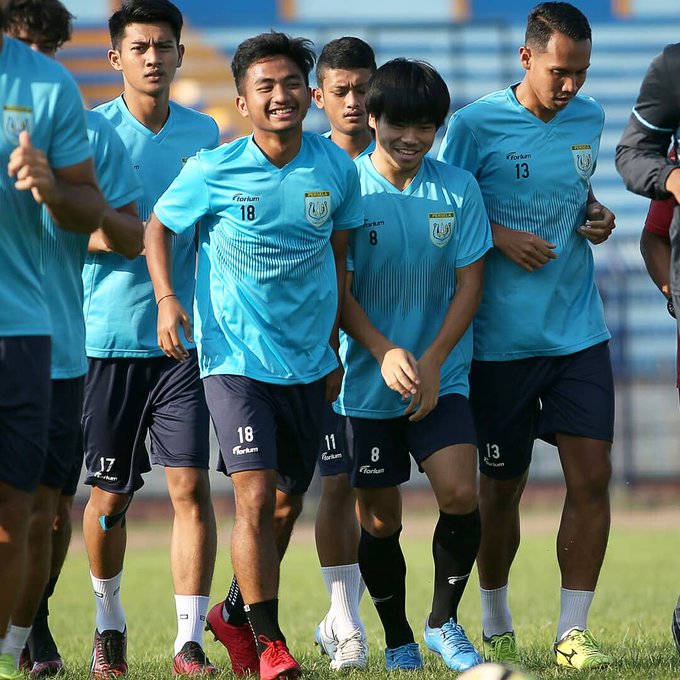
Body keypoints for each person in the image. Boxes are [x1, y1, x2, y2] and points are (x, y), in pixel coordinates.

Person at [145, 30, 364, 680]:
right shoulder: (215, 168)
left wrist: (333, 342)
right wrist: (166, 298)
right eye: (265, 86)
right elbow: (159, 225)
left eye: (290, 83)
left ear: (308, 92)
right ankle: (272, 645)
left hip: (309, 365)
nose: (280, 96)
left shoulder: (335, 168)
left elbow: (341, 259)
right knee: (252, 496)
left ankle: (234, 615)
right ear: (243, 101)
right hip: (234, 361)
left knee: (285, 505)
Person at [438, 2, 616, 670]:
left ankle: (573, 632)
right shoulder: (475, 124)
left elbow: (577, 194)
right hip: (498, 345)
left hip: (577, 333)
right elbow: (444, 209)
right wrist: (501, 237)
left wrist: (594, 216)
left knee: (592, 477)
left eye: (580, 72)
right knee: (501, 489)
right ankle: (495, 613)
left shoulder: (591, 119)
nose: (569, 84)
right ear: (526, 58)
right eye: (558, 70)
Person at [334, 57, 492, 673]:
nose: (410, 137)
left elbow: (470, 283)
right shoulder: (348, 187)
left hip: (441, 375)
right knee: (379, 518)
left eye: (425, 126)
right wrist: (382, 349)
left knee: (458, 491)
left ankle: (442, 624)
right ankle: (398, 638)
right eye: (398, 123)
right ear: (372, 119)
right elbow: (337, 288)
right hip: (367, 382)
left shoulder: (457, 189)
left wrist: (430, 360)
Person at [3, 1, 145, 677]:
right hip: (29, 338)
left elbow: (127, 232)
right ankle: (25, 638)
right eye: (25, 43)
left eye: (49, 48)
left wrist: (59, 197)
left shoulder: (82, 129)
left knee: (50, 517)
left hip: (62, 343)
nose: (37, 59)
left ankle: (29, 622)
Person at [79, 1, 220, 676]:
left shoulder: (207, 133)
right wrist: (110, 233)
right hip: (107, 339)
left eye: (164, 45)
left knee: (191, 487)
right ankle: (109, 623)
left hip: (186, 345)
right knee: (110, 498)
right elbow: (56, 225)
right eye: (139, 47)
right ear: (116, 58)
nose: (153, 57)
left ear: (180, 54)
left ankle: (187, 641)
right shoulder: (85, 134)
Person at [309, 36, 376, 671]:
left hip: (393, 359)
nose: (354, 102)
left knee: (376, 494)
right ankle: (345, 621)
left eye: (363, 89)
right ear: (319, 98)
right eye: (342, 92)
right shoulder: (312, 169)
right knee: (332, 485)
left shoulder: (402, 164)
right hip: (325, 358)